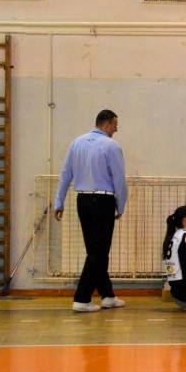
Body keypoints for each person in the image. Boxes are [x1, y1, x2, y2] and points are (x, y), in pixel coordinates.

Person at [54, 109, 127, 313]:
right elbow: (119, 179)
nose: (116, 130)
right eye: (115, 125)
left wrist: (59, 202)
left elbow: (65, 173)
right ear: (108, 124)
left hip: (83, 201)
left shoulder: (76, 143)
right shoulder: (111, 146)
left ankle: (107, 295)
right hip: (103, 201)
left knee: (95, 250)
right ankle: (82, 298)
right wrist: (120, 204)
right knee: (98, 252)